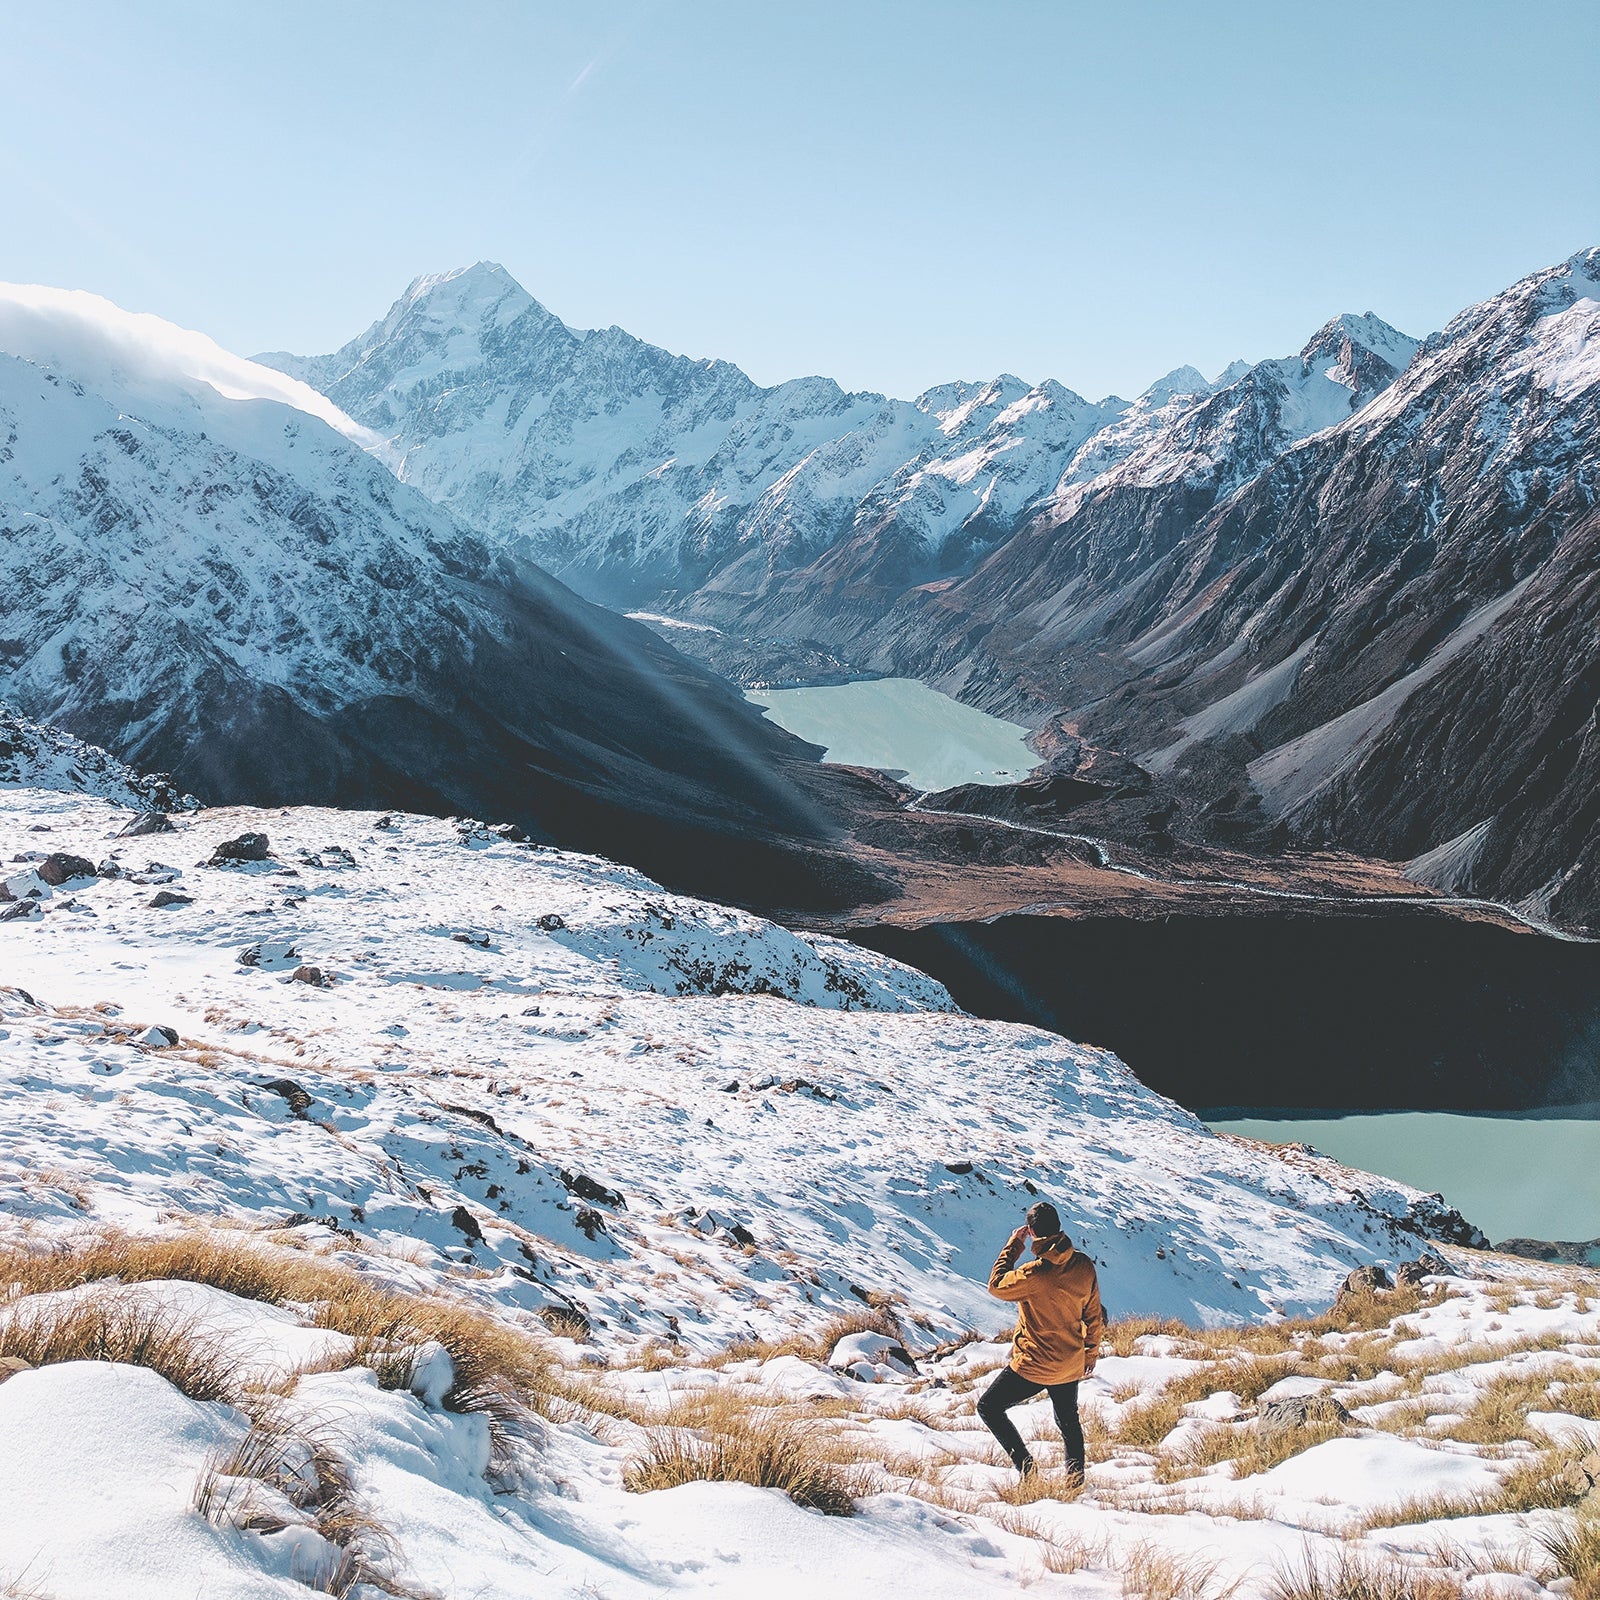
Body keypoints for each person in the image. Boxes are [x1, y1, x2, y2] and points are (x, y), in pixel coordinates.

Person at [978, 1200, 1104, 1481]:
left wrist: (1013, 1245)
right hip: (1070, 1362)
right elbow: (1093, 1315)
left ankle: (1027, 1467)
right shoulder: (1083, 1265)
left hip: (1034, 1365)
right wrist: (1090, 1354)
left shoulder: (1034, 1274)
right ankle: (1075, 1481)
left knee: (988, 1407)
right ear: (1059, 1229)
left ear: (1032, 1233)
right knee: (1069, 1422)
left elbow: (995, 1285)